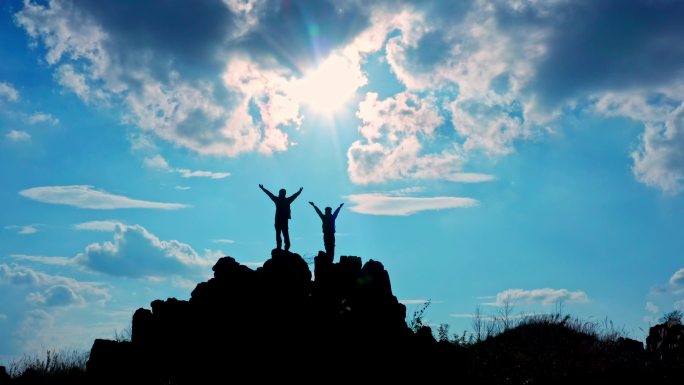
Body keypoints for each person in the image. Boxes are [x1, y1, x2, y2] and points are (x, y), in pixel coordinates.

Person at [259, 184, 303, 251]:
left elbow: (294, 196)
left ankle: (284, 248)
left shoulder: (283, 200)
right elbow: (269, 194)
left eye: (283, 193)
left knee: (283, 235)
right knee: (281, 235)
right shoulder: (282, 200)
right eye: (282, 193)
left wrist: (299, 191)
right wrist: (263, 188)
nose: (282, 194)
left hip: (282, 221)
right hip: (279, 221)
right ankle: (281, 247)